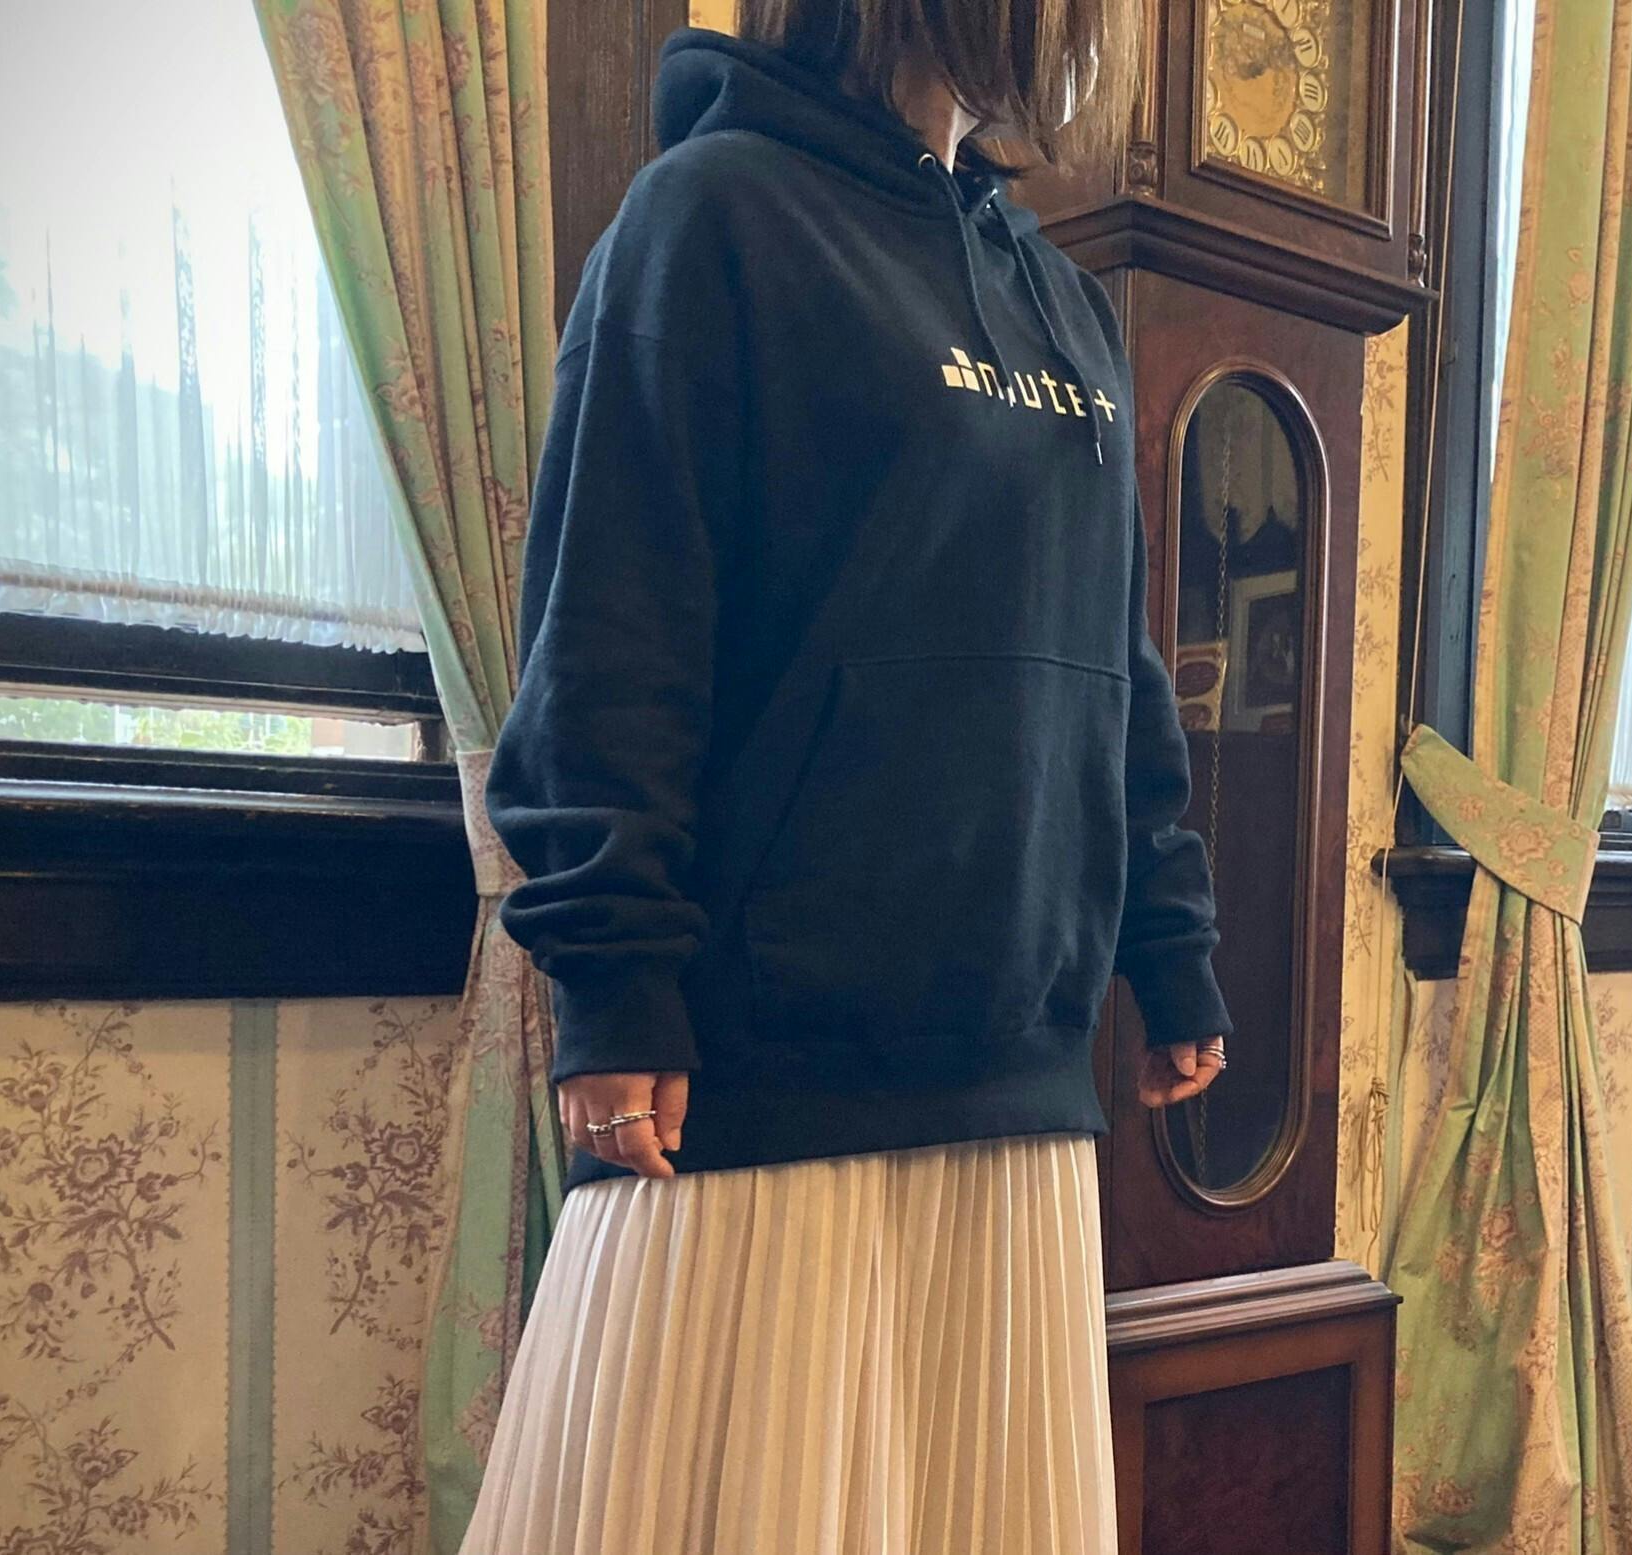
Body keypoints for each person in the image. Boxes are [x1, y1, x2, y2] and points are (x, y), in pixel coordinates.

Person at [461, 2, 1234, 1550]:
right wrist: (613, 982)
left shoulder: (1062, 302)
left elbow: (1113, 660)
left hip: (1014, 1064)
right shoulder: (710, 216)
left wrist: (1170, 945)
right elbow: (613, 631)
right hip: (764, 1057)